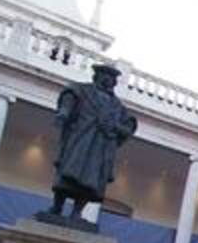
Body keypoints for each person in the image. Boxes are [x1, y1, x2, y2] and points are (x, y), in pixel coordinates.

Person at [45, 63, 136, 221]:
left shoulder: (117, 106)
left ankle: (77, 212)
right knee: (67, 173)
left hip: (100, 147)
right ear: (97, 77)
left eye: (112, 78)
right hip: (81, 138)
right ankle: (57, 207)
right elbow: (69, 97)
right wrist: (64, 113)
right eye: (105, 76)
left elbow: (129, 126)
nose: (109, 80)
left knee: (91, 182)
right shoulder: (82, 90)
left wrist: (115, 126)